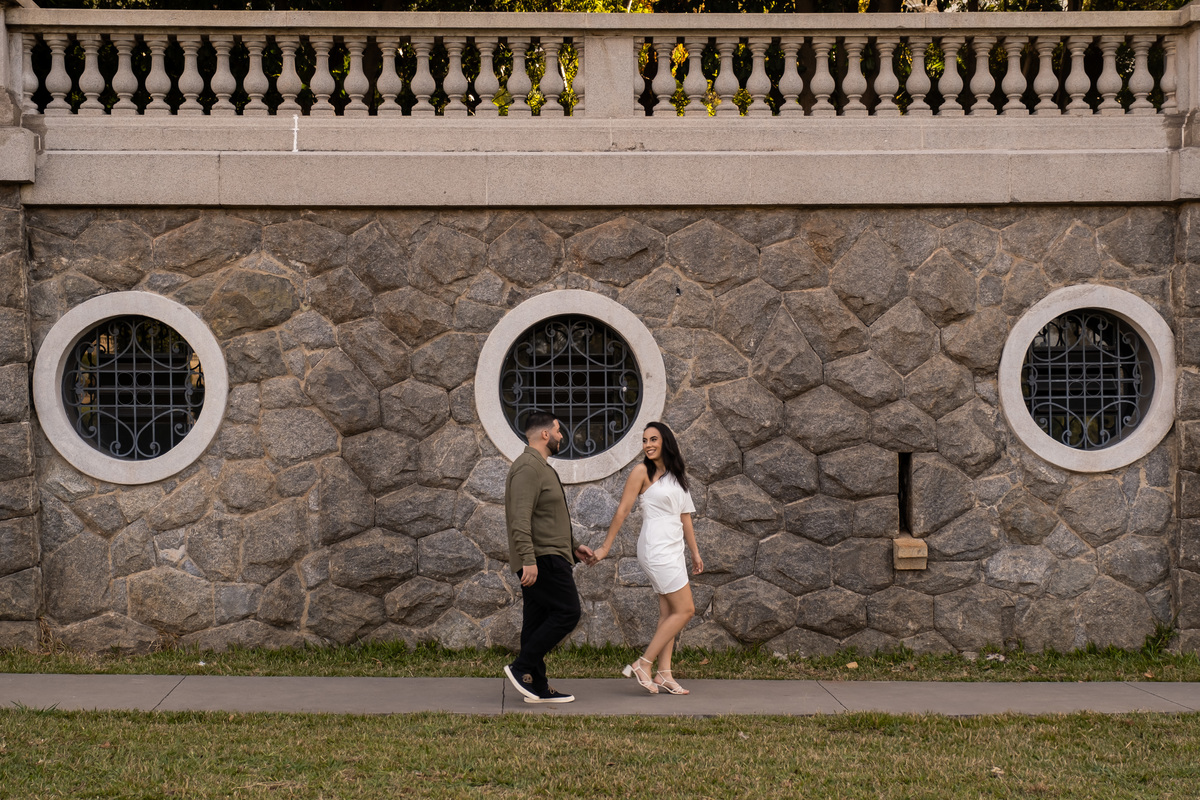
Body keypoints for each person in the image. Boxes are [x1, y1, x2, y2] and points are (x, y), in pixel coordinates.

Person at [591, 421, 703, 695]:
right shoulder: (641, 472)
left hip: (674, 548)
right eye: (644, 440)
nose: (648, 445)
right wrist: (605, 548)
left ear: (665, 441)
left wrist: (694, 552)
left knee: (670, 612)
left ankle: (664, 674)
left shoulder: (677, 475)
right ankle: (644, 663)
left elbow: (685, 517)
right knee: (686, 610)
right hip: (656, 548)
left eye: (653, 439)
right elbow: (622, 511)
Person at [503, 410, 595, 704]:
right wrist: (528, 559)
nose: (561, 436)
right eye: (558, 431)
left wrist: (574, 546)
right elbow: (520, 519)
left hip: (550, 554)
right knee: (568, 612)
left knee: (535, 621)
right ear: (545, 434)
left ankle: (537, 686)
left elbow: (547, 517)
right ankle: (521, 668)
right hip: (542, 558)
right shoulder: (528, 468)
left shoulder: (539, 467)